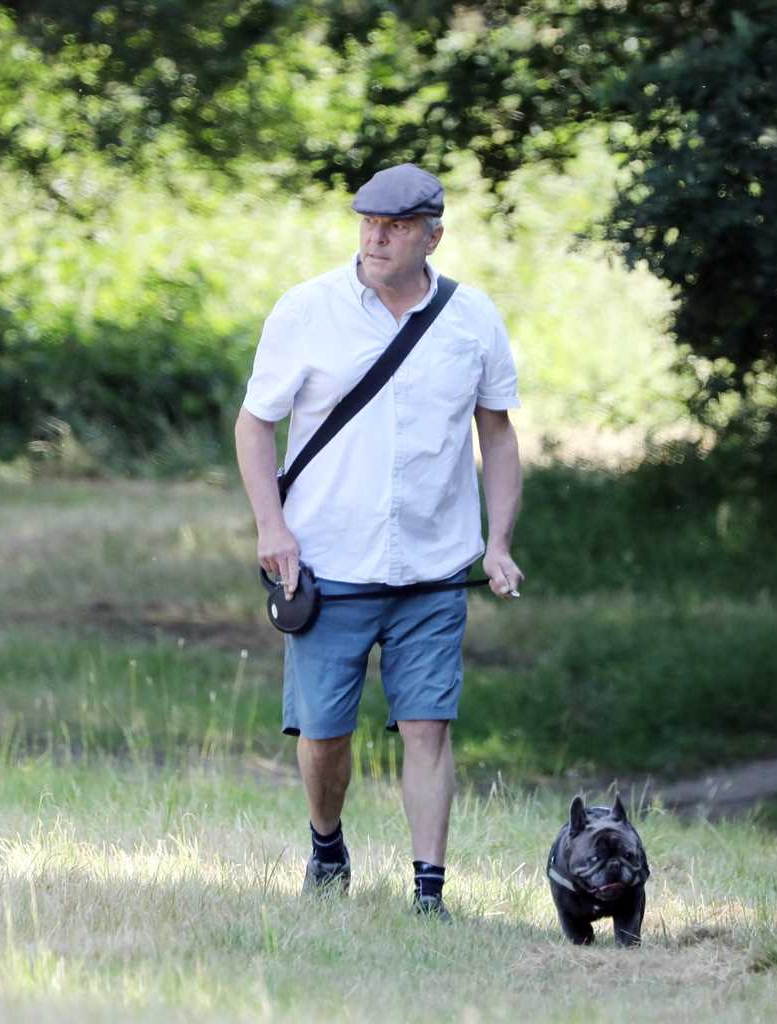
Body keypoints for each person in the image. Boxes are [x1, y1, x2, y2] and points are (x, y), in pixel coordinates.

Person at [234, 163, 525, 919]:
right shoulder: (308, 311)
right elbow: (254, 424)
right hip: (328, 565)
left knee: (428, 728)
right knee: (325, 734)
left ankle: (430, 892)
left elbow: (496, 435)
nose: (376, 236)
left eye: (394, 227)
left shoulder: (472, 319)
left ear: (433, 234)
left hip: (433, 569)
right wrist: (272, 526)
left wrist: (498, 542)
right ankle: (327, 843)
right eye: (368, 222)